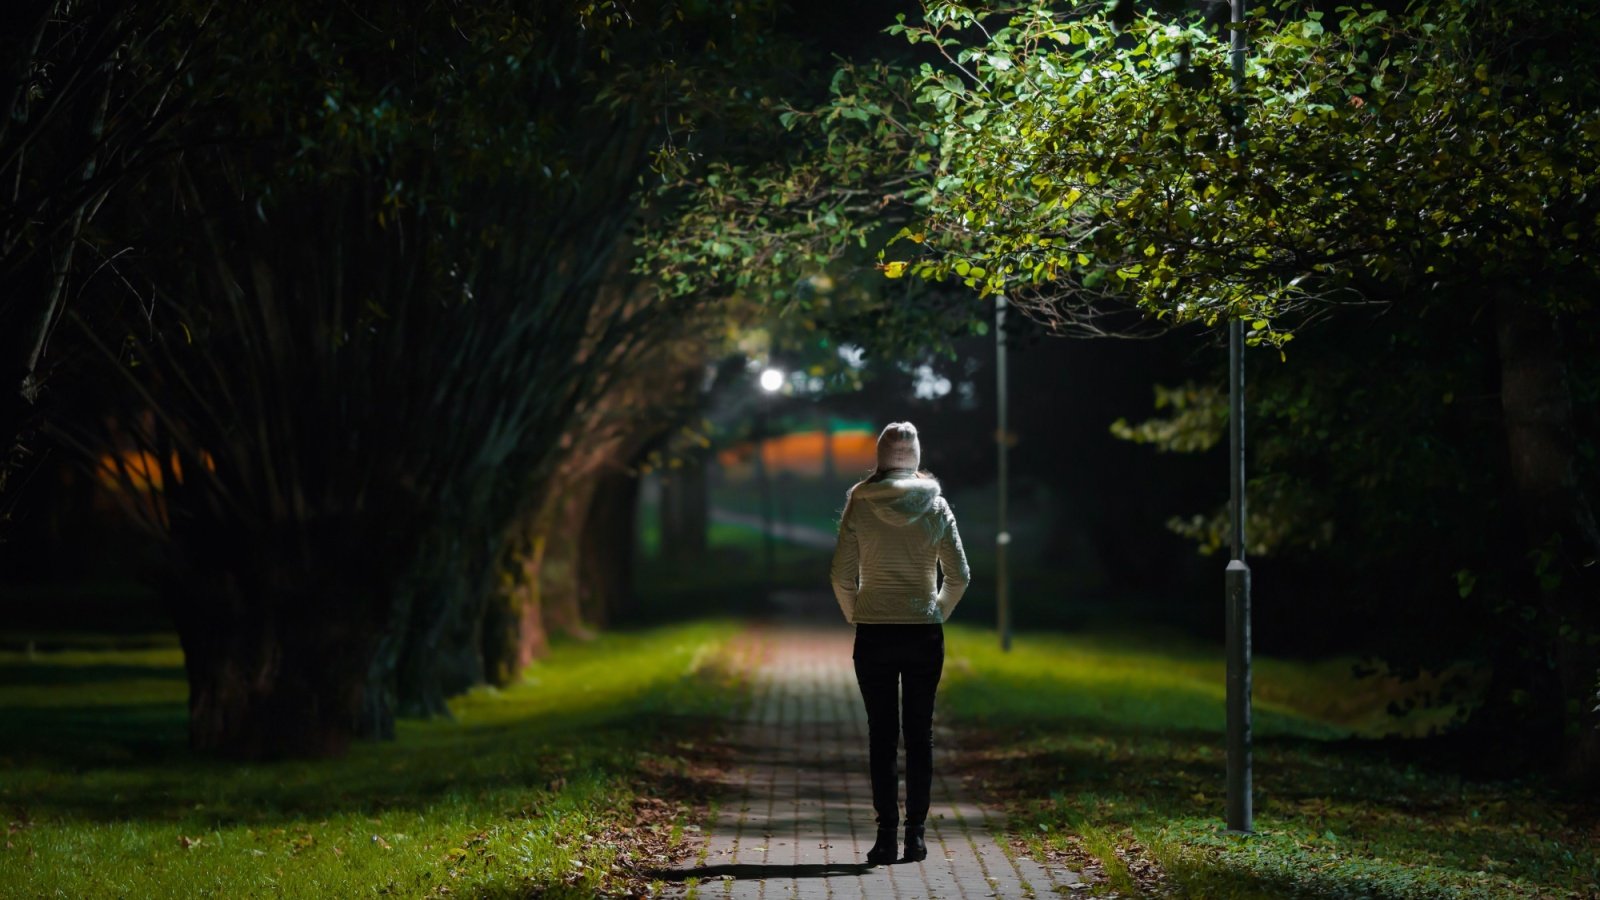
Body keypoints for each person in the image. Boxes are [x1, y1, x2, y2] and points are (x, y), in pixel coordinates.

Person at [829, 421, 970, 866]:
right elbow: (960, 575)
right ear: (915, 457)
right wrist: (935, 611)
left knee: (882, 736)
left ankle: (885, 836)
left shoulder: (860, 503)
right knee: (920, 735)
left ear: (880, 457)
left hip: (874, 631)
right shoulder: (936, 505)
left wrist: (857, 612)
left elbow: (840, 575)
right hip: (922, 632)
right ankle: (917, 837)